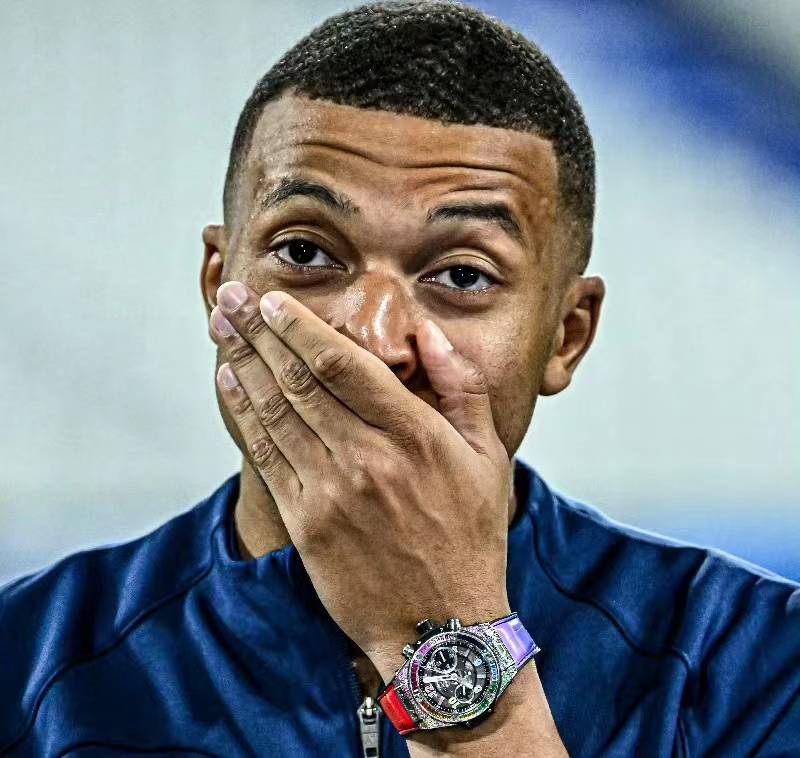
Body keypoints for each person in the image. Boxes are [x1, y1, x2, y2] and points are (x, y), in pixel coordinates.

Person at [2, 2, 798, 756]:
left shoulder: (754, 663)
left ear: (566, 335)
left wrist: (448, 634)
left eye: (463, 274)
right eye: (305, 253)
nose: (374, 340)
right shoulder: (23, 663)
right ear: (218, 283)